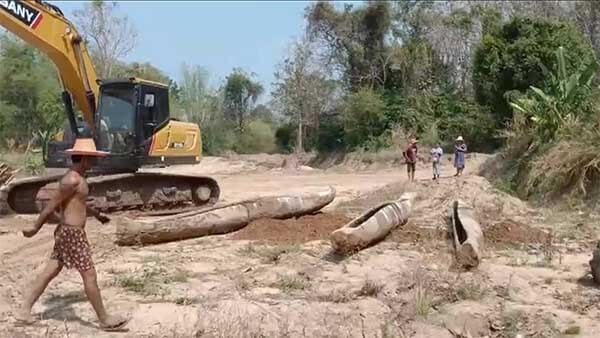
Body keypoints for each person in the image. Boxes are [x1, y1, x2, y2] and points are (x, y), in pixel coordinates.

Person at [17, 138, 130, 332]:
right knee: (89, 275)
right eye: (92, 159)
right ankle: (104, 319)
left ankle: (24, 310)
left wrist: (97, 215)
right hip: (72, 234)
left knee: (50, 271)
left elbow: (77, 204)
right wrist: (35, 228)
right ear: (85, 159)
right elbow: (52, 205)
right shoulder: (71, 180)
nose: (95, 162)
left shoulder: (78, 179)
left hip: (68, 233)